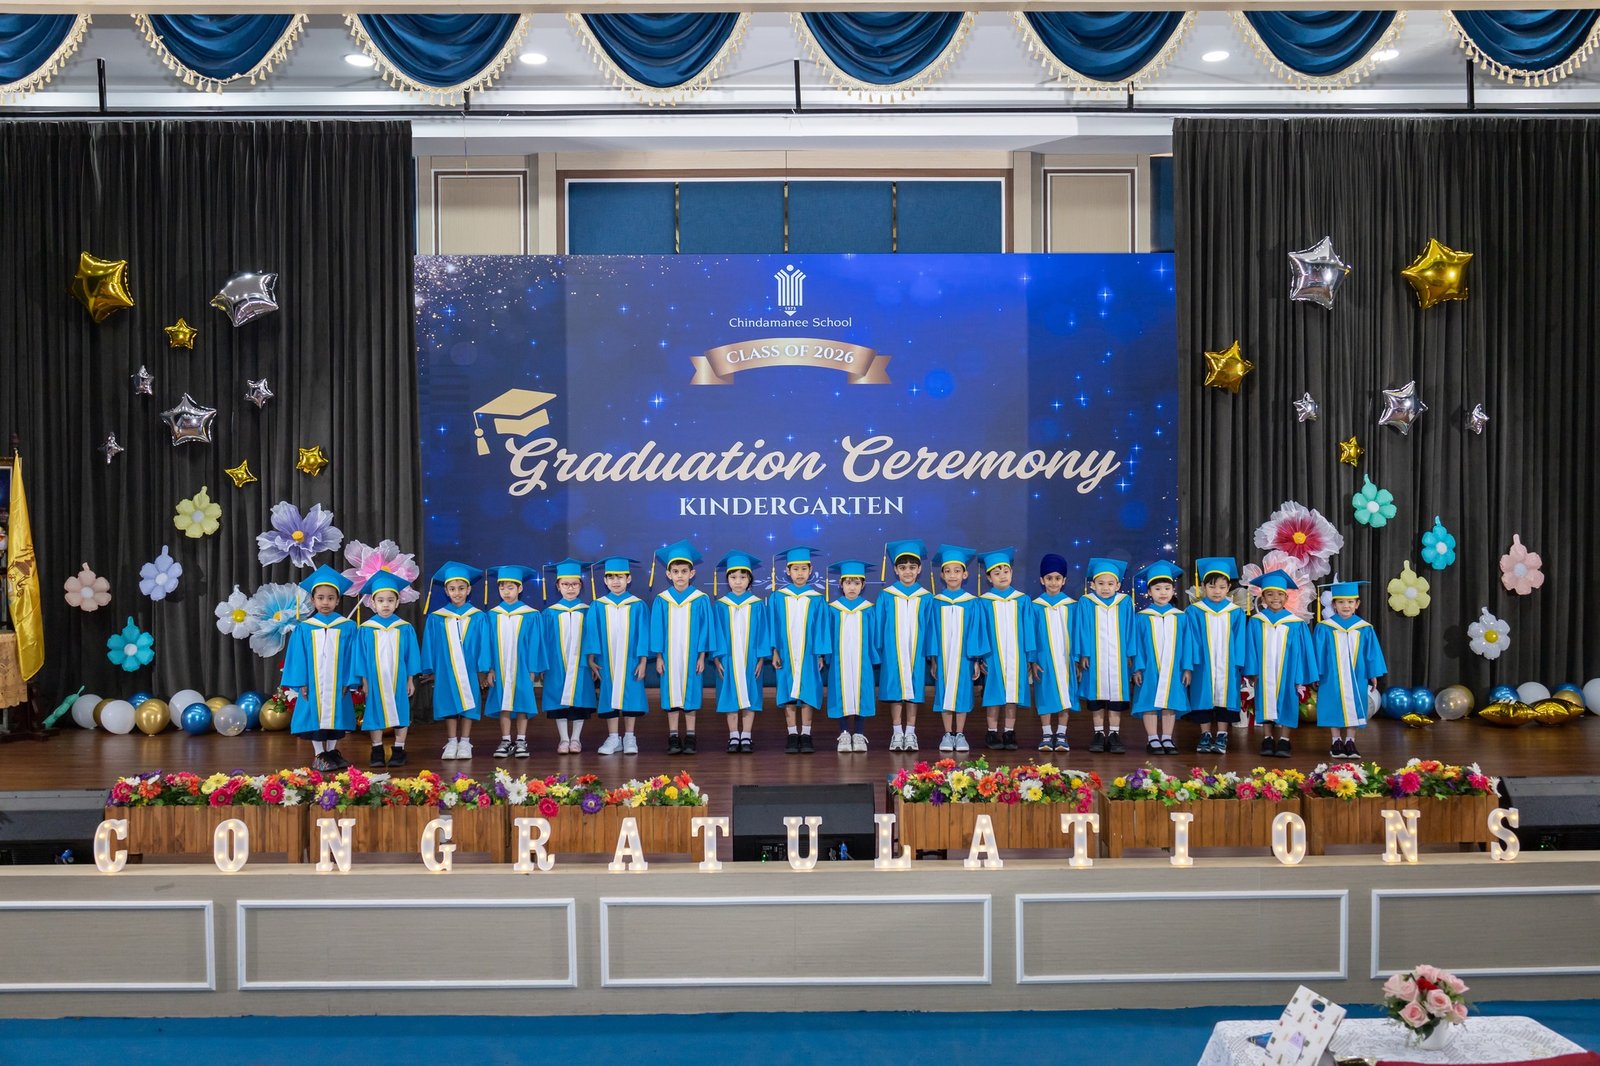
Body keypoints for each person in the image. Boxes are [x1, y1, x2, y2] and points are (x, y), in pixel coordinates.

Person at [281, 564, 358, 772]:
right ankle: (319, 754)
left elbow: (353, 657)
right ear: (313, 600)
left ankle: (332, 752)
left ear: (338, 600)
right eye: (321, 597)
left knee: (337, 718)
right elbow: (297, 658)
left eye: (331, 598)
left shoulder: (347, 626)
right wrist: (301, 682)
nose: (325, 602)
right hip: (312, 684)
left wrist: (350, 681)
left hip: (338, 683)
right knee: (314, 718)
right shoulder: (304, 627)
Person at [1240, 570, 1318, 758]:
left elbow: (1303, 651)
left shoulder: (1296, 623)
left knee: (1288, 701)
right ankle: (1267, 738)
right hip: (1263, 672)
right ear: (1263, 598)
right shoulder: (1257, 621)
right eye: (1270, 594)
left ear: (1286, 597)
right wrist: (1252, 671)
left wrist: (1300, 674)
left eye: (1280, 594)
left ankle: (1284, 740)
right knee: (1264, 701)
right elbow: (1250, 648)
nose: (1275, 598)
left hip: (1288, 672)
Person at [419, 561, 491, 761]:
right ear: (446, 591)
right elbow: (430, 645)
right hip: (446, 668)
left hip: (470, 667)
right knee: (448, 701)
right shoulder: (437, 618)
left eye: (461, 588)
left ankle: (465, 741)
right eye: (452, 589)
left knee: (469, 702)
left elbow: (484, 644)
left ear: (468, 590)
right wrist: (430, 668)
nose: (457, 593)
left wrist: (483, 669)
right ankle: (451, 741)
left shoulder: (478, 616)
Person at [352, 571, 421, 768]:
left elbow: (411, 656)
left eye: (390, 600)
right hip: (374, 680)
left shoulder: (404, 627)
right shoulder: (366, 629)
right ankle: (377, 750)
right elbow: (360, 657)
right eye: (380, 600)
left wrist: (410, 680)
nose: (385, 604)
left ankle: (399, 749)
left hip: (399, 679)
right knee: (374, 712)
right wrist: (364, 682)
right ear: (373, 603)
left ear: (397, 602)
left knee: (401, 711)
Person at [649, 540, 713, 755]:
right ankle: (674, 736)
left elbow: (705, 630)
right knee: (671, 695)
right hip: (668, 656)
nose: (680, 576)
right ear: (668, 574)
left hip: (692, 655)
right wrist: (659, 657)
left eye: (684, 571)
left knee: (690, 694)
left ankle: (691, 736)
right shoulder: (662, 600)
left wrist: (702, 656)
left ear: (692, 573)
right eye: (675, 572)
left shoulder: (700, 599)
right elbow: (657, 630)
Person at [924, 544, 990, 753]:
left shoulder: (972, 602)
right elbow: (932, 632)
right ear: (942, 575)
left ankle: (960, 734)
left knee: (963, 693)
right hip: (944, 656)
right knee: (944, 692)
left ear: (965, 574)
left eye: (957, 571)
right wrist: (934, 660)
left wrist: (976, 661)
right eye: (948, 571)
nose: (952, 575)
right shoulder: (936, 602)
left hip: (964, 657)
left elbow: (976, 632)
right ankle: (947, 733)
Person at [1129, 561, 1196, 755]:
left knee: (1170, 702)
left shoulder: (1181, 617)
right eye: (1157, 589)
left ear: (1173, 590)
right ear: (1149, 592)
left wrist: (1187, 668)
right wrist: (1137, 669)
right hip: (1149, 668)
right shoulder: (1142, 617)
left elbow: (1188, 644)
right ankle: (1152, 739)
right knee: (1149, 701)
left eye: (1167, 588)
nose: (1163, 592)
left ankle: (1167, 737)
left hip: (1174, 668)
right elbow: (1136, 645)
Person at [1183, 557, 1249, 755]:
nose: (1217, 591)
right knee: (1202, 698)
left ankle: (1222, 735)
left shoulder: (1235, 612)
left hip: (1229, 664)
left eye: (1222, 587)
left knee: (1225, 700)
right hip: (1202, 663)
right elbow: (1190, 639)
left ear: (1228, 588)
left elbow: (1240, 640)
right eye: (1212, 587)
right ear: (1203, 587)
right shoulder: (1194, 611)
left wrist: (1239, 664)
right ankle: (1205, 735)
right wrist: (1190, 664)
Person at [1315, 580, 1387, 758]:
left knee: (1356, 704)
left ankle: (1350, 741)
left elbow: (1371, 653)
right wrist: (1317, 674)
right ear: (1334, 605)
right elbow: (1318, 652)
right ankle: (1336, 741)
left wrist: (1373, 674)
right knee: (1333, 703)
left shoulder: (1365, 628)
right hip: (1331, 674)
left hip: (1357, 674)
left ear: (1357, 604)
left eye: (1350, 602)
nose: (1345, 606)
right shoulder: (1325, 627)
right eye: (1341, 602)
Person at [588, 557, 650, 755]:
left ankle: (630, 737)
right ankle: (614, 738)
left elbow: (643, 634)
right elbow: (592, 634)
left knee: (632, 695)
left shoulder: (638, 605)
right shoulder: (598, 605)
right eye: (611, 577)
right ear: (605, 581)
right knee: (608, 694)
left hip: (631, 659)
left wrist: (643, 661)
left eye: (620, 577)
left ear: (628, 579)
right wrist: (591, 659)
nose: (616, 581)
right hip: (606, 660)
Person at [1072, 557, 1134, 755]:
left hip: (1118, 657)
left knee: (1116, 697)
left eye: (1110, 583)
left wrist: (1130, 653)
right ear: (1092, 585)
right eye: (1100, 583)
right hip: (1095, 657)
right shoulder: (1086, 602)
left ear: (1118, 585)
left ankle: (1114, 733)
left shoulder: (1124, 602)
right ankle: (1098, 733)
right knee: (1096, 697)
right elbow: (1082, 629)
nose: (1105, 588)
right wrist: (1084, 653)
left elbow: (1130, 629)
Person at [770, 545, 828, 754]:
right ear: (787, 571)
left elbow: (821, 628)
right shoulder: (778, 597)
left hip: (808, 653)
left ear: (810, 571)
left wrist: (820, 654)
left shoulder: (817, 599)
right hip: (785, 653)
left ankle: (806, 734)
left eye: (804, 569)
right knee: (788, 693)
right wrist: (774, 651)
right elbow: (773, 625)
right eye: (795, 569)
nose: (800, 573)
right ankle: (792, 734)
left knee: (807, 693)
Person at [711, 550, 770, 754]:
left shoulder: (757, 605)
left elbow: (763, 632)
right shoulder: (720, 605)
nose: (738, 581)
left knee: (750, 695)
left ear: (749, 580)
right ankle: (733, 735)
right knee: (729, 695)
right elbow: (716, 633)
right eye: (733, 577)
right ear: (727, 579)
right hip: (727, 658)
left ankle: (746, 735)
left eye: (743, 577)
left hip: (751, 658)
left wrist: (761, 658)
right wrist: (716, 658)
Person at [484, 565, 546, 759]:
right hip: (500, 667)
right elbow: (488, 644)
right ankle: (505, 740)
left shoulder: (531, 614)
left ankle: (521, 740)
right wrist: (490, 669)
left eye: (510, 588)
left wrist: (533, 669)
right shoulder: (492, 615)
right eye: (502, 588)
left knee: (522, 703)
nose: (506, 592)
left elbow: (535, 644)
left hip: (522, 667)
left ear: (520, 588)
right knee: (503, 703)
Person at [876, 539, 931, 752]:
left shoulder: (925, 597)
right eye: (903, 567)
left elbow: (931, 627)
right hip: (893, 651)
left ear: (919, 569)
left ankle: (911, 732)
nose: (907, 571)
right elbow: (879, 624)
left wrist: (930, 653)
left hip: (916, 651)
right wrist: (879, 650)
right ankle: (897, 732)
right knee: (895, 690)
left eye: (912, 567)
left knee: (914, 690)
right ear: (895, 570)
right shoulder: (886, 595)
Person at [977, 547, 1034, 752]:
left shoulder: (1022, 600)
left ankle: (1009, 731)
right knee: (994, 695)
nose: (1002, 575)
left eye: (1006, 571)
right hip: (993, 655)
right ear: (989, 578)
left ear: (1012, 573)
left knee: (1012, 696)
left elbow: (1029, 630)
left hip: (1017, 656)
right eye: (997, 572)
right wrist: (980, 657)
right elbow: (980, 631)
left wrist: (1030, 657)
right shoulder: (983, 602)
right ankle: (991, 732)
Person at [541, 558, 596, 753]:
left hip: (582, 664)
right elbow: (544, 642)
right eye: (565, 584)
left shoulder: (588, 611)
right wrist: (543, 665)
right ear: (558, 586)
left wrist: (593, 661)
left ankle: (576, 739)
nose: (570, 588)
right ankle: (564, 739)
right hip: (556, 664)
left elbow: (594, 639)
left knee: (581, 700)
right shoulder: (549, 613)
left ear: (581, 585)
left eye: (574, 584)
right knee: (558, 701)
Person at [823, 559, 875, 752]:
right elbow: (827, 635)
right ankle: (844, 734)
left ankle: (859, 734)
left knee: (862, 692)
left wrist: (872, 657)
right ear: (841, 585)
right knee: (841, 693)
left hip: (862, 660)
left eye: (856, 583)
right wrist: (828, 657)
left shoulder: (868, 608)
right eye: (848, 583)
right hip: (840, 660)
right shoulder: (833, 608)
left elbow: (874, 636)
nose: (852, 587)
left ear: (863, 585)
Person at [1028, 553, 1076, 752]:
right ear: (1042, 580)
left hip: (1066, 658)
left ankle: (1062, 734)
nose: (1053, 582)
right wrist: (1032, 660)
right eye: (1049, 578)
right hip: (1044, 658)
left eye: (1057, 578)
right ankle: (1047, 734)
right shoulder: (1035, 606)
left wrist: (1077, 659)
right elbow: (1030, 634)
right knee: (1045, 694)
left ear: (1064, 580)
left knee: (1066, 695)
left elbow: (1077, 633)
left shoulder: (1072, 605)